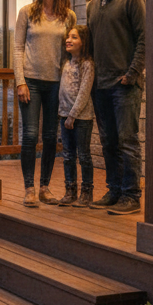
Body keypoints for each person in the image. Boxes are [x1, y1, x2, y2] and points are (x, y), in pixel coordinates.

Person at [86, 0, 146, 216]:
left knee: (127, 141)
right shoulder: (92, 5)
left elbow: (145, 38)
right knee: (108, 142)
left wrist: (131, 74)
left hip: (124, 86)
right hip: (100, 86)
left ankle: (131, 195)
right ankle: (114, 190)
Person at [13, 0, 76, 208]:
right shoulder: (27, 12)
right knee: (30, 135)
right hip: (30, 82)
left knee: (51, 136)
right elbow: (18, 48)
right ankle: (29, 188)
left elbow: (69, 53)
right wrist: (20, 81)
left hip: (56, 83)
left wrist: (68, 82)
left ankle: (44, 187)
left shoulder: (68, 16)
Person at [58, 24, 95, 208]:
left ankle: (87, 192)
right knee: (68, 156)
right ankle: (70, 189)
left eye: (74, 37)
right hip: (64, 115)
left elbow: (84, 92)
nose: (69, 40)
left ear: (83, 42)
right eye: (68, 37)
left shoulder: (87, 65)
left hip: (81, 118)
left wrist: (73, 115)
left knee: (84, 155)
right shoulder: (65, 63)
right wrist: (64, 114)